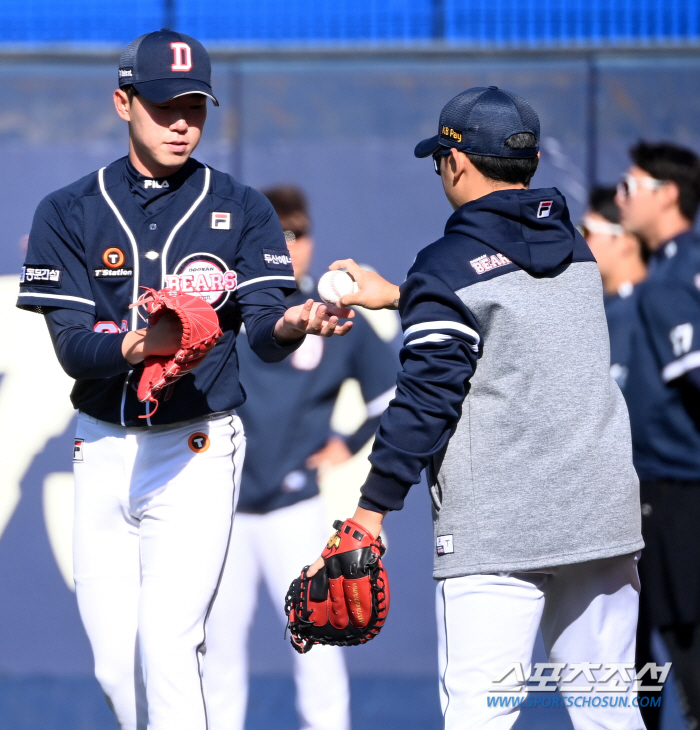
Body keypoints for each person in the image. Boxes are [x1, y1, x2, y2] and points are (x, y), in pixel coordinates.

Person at [16, 30, 352, 730]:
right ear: (122, 101)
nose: (181, 122)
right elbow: (75, 350)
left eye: (194, 106)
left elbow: (263, 329)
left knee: (170, 646)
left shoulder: (243, 208)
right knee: (116, 668)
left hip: (195, 451)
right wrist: (149, 343)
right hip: (101, 448)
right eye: (165, 104)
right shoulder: (67, 210)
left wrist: (298, 322)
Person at [308, 86, 645, 729]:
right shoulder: (575, 248)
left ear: (456, 164)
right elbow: (503, 297)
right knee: (610, 714)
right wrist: (402, 295)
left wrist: (370, 511)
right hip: (601, 519)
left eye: (440, 159)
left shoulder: (446, 267)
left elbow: (428, 394)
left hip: (499, 532)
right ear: (533, 162)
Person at [202, 185, 398, 730]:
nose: (291, 245)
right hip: (225, 505)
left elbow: (391, 398)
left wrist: (348, 442)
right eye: (278, 234)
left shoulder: (334, 317)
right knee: (216, 649)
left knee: (320, 630)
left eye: (299, 233)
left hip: (295, 506)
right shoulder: (226, 313)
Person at [616, 141, 700, 730]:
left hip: (676, 492)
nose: (623, 197)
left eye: (631, 186)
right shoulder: (669, 269)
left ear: (668, 194)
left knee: (682, 646)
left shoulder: (673, 274)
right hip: (663, 490)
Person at [581, 186, 646, 389]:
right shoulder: (614, 309)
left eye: (587, 230)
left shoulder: (642, 311)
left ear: (626, 241)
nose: (579, 240)